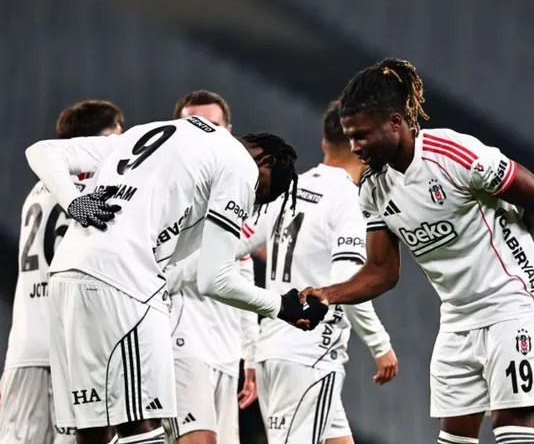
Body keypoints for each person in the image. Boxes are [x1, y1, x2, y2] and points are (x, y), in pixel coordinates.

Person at [303, 58, 534, 444]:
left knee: (511, 431)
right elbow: (382, 271)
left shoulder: (455, 155)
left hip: (513, 304)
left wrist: (516, 241)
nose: (355, 147)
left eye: (362, 135)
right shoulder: (373, 188)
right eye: (350, 137)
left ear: (395, 122)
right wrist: (327, 294)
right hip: (457, 317)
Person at [24, 114, 326, 444]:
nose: (251, 201)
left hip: (67, 275)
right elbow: (215, 279)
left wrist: (73, 201)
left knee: (93, 428)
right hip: (126, 283)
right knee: (142, 423)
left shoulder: (145, 132)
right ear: (266, 161)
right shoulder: (241, 165)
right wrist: (280, 306)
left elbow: (42, 151)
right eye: (260, 192)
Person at [236, 100, 398, 444]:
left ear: (324, 142)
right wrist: (380, 345)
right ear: (363, 148)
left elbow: (236, 243)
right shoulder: (349, 200)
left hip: (274, 349)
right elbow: (347, 286)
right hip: (310, 355)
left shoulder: (290, 188)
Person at [0, 99, 124, 444]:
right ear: (102, 138)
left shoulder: (39, 189)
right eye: (118, 132)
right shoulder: (100, 188)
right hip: (74, 344)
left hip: (25, 345)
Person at [166, 90, 260, 444]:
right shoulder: (167, 193)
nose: (205, 134)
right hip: (182, 344)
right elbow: (159, 278)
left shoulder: (235, 195)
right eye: (195, 125)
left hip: (225, 352)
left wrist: (251, 356)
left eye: (214, 126)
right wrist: (216, 252)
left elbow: (244, 278)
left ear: (229, 131)